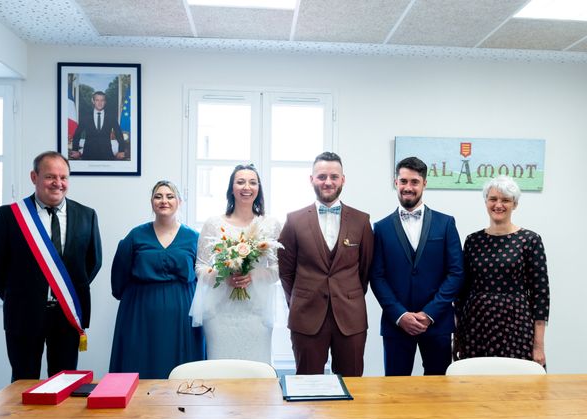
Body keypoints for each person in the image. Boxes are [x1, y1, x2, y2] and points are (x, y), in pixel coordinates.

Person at [0, 151, 102, 381]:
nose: (58, 183)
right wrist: (15, 295)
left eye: (63, 177)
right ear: (33, 177)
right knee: (23, 383)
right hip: (23, 313)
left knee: (64, 382)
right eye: (50, 177)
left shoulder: (87, 215)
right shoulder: (10, 215)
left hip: (67, 314)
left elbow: (93, 262)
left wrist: (66, 291)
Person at [278, 152, 374, 376]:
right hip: (306, 317)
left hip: (351, 318)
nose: (328, 182)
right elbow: (286, 271)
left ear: (343, 179)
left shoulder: (362, 221)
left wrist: (347, 294)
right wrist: (300, 300)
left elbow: (366, 270)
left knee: (352, 385)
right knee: (308, 387)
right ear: (311, 179)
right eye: (322, 176)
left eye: (334, 176)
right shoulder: (294, 220)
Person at [370, 156, 463, 376]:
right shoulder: (381, 228)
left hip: (437, 323)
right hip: (396, 325)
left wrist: (429, 313)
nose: (408, 187)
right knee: (395, 392)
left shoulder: (446, 223)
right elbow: (377, 276)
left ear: (424, 184)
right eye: (403, 181)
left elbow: (456, 273)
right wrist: (400, 315)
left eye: (414, 182)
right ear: (396, 183)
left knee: (438, 392)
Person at [109, 181, 205, 378]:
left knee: (181, 371)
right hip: (140, 311)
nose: (164, 201)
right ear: (152, 202)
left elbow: (203, 276)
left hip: (183, 311)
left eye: (170, 196)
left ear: (179, 201)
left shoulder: (194, 237)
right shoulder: (136, 236)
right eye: (158, 196)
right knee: (139, 363)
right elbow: (119, 274)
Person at [190, 165, 282, 363]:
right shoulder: (214, 224)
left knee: (256, 369)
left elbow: (277, 269)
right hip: (220, 312)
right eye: (240, 182)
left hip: (256, 311)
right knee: (221, 371)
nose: (246, 187)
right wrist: (223, 276)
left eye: (252, 182)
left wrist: (253, 276)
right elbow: (200, 266)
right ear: (232, 189)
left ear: (259, 188)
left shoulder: (271, 224)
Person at [454, 176, 549, 366]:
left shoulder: (530, 240)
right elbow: (461, 292)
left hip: (516, 326)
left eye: (505, 200)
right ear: (486, 202)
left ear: (515, 204)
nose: (498, 205)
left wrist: (538, 345)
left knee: (516, 387)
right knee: (476, 385)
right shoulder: (472, 241)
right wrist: (457, 335)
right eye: (493, 199)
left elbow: (540, 295)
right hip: (475, 324)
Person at [70, 91, 126, 161]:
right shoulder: (85, 116)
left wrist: (121, 150)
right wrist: (75, 150)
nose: (100, 103)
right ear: (93, 101)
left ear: (105, 102)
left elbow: (119, 134)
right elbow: (77, 134)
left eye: (102, 100)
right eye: (97, 100)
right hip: (88, 155)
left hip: (107, 155)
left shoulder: (111, 116)